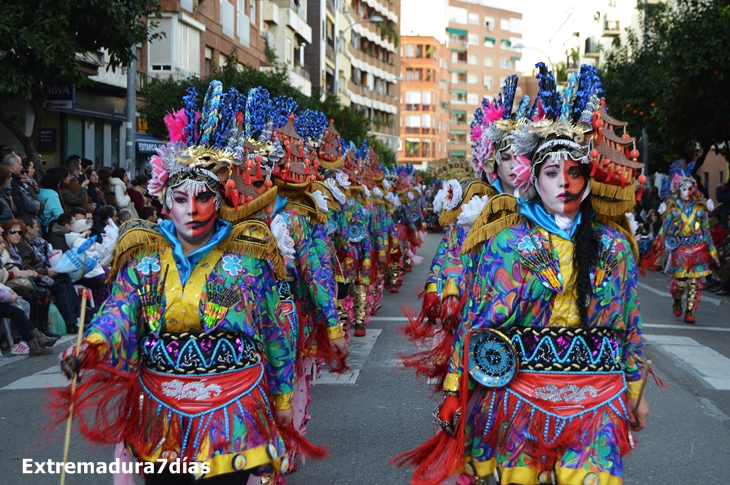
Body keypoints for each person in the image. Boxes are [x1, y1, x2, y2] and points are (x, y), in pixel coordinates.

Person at [52, 80, 318, 484]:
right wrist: (90, 347)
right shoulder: (143, 253)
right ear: (165, 201)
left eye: (203, 198)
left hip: (232, 405)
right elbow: (119, 312)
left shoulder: (250, 251)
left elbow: (275, 328)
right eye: (181, 198)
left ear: (221, 198)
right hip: (160, 409)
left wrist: (282, 395)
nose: (191, 209)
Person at [396, 65, 651, 485]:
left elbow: (630, 327)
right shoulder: (506, 242)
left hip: (598, 399)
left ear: (588, 180)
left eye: (574, 172)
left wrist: (636, 392)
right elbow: (478, 324)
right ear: (534, 179)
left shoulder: (615, 246)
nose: (563, 184)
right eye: (552, 173)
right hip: (521, 396)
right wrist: (455, 390)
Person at [647, 161, 720, 324]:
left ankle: (690, 311)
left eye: (690, 189)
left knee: (694, 284)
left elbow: (706, 232)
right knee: (680, 285)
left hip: (698, 251)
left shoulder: (700, 211)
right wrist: (657, 244)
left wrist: (713, 253)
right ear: (678, 191)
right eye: (684, 189)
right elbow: (663, 230)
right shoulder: (673, 211)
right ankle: (678, 300)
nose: (688, 192)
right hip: (680, 251)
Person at [17, 215, 81, 335]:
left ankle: (71, 323)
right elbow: (27, 268)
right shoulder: (22, 246)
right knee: (63, 278)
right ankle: (76, 310)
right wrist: (46, 272)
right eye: (36, 226)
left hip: (39, 275)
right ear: (29, 228)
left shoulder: (31, 243)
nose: (38, 229)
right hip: (34, 279)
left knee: (62, 284)